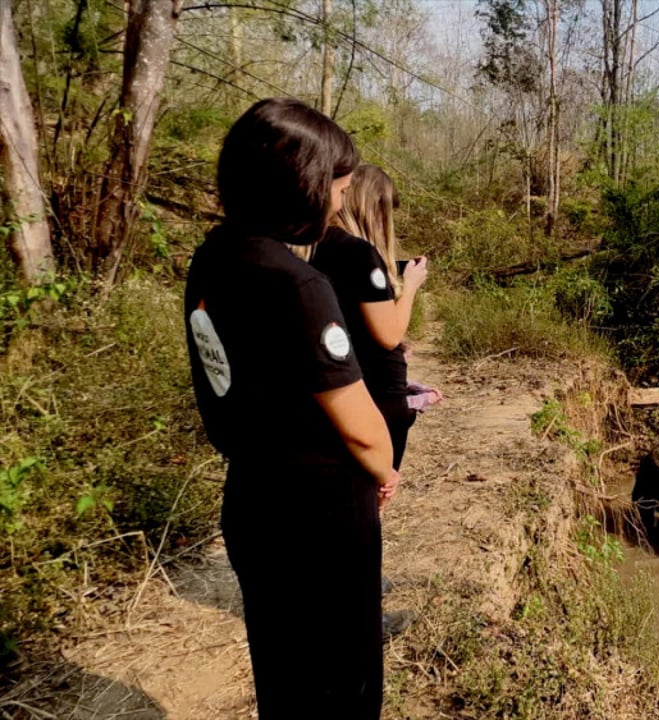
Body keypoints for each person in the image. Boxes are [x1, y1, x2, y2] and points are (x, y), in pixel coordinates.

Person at [184, 97, 397, 719]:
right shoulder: (297, 284)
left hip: (253, 496)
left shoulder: (216, 257)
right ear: (301, 185)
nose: (337, 203)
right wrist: (384, 470)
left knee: (284, 675)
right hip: (320, 513)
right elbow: (362, 431)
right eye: (335, 187)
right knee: (342, 683)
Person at [310, 164, 436, 472]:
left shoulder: (315, 247)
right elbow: (388, 334)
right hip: (377, 395)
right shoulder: (359, 254)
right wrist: (411, 287)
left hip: (343, 388)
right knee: (375, 491)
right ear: (373, 207)